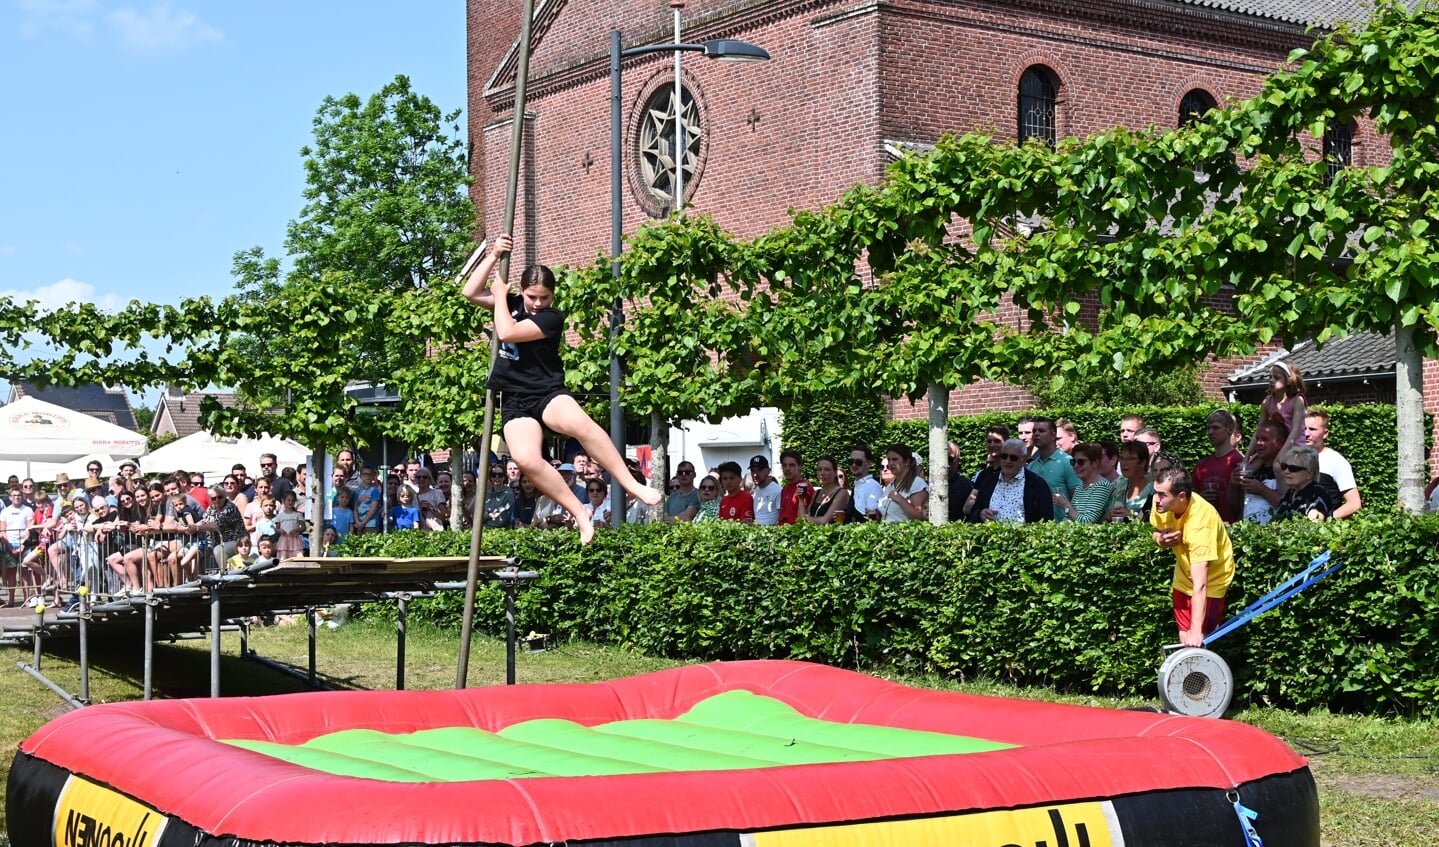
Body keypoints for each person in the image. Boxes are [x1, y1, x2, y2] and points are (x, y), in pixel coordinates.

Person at [462, 233, 660, 543]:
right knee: (525, 459)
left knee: (582, 424)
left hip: (547, 393)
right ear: (523, 292)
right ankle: (580, 514)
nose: (538, 303)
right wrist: (493, 257)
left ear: (552, 297)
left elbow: (508, 332)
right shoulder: (511, 303)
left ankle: (631, 484)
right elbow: (469, 291)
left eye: (544, 297)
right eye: (531, 297)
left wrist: (500, 295)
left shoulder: (551, 318)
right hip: (515, 399)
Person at [1151, 466, 1235, 648]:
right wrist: (1161, 540)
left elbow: (1201, 584)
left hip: (1211, 582)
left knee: (1201, 640)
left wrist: (1197, 631)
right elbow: (1156, 532)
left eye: (1162, 495)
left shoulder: (1201, 524)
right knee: (1184, 636)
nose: (1156, 499)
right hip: (1182, 577)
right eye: (1155, 492)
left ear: (1181, 496)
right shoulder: (1160, 503)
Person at [968, 439, 1053, 524]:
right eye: (1004, 456)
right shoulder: (989, 481)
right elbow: (975, 510)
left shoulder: (1037, 484)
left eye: (1013, 458)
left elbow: (1046, 520)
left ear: (1023, 460)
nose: (1008, 461)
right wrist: (980, 513)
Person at [1304, 409, 1362, 518]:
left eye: (1312, 429)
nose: (1306, 433)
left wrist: (1326, 521)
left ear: (1325, 433)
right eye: (1304, 429)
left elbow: (1354, 504)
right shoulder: (1294, 459)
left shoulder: (1336, 461)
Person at [1192, 409, 1244, 523]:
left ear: (1230, 429)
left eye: (1216, 428)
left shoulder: (1239, 462)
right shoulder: (1202, 465)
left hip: (1232, 527)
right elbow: (1191, 498)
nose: (1210, 432)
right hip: (1206, 525)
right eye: (1208, 428)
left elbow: (1245, 502)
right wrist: (1201, 498)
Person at [1248, 361, 1308, 460]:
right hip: (1276, 447)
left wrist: (1280, 456)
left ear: (1288, 381)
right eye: (1270, 377)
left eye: (1277, 378)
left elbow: (1295, 430)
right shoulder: (1267, 402)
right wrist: (1246, 459)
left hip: (1296, 449)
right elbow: (1258, 431)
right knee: (1249, 468)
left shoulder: (1297, 400)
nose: (1271, 380)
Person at [1230, 420, 1286, 524]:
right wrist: (1233, 486)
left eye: (1265, 439)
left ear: (1279, 443)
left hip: (1274, 535)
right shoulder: (1251, 471)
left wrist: (1262, 490)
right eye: (1257, 439)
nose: (1259, 443)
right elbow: (1236, 509)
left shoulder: (1288, 471)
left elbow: (1290, 508)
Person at [1028, 418, 1080, 521]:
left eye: (1041, 431)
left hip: (1061, 531)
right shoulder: (1031, 466)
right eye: (1034, 431)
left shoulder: (1067, 462)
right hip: (1035, 530)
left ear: (1053, 435)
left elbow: (1078, 500)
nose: (1036, 434)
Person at [1052, 442, 1114, 524]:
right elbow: (1068, 518)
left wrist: (1066, 504)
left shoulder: (1102, 486)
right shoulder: (1080, 488)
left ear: (1095, 463)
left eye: (1081, 462)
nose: (1076, 466)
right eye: (1073, 462)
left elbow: (1087, 522)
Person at [1273, 445, 1332, 522]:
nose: (1287, 471)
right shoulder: (1290, 493)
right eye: (1285, 467)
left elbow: (1316, 522)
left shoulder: (1316, 493)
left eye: (1293, 468)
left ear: (1309, 474)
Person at [878, 444, 929, 522]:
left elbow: (922, 516)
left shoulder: (916, 484)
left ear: (907, 461)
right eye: (889, 459)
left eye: (895, 459)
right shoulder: (890, 485)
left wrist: (900, 499)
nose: (890, 463)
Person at [1107, 440, 1152, 522]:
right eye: (1122, 458)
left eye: (1130, 459)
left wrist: (1131, 515)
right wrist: (1109, 516)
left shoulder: (1154, 488)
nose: (1124, 463)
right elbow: (1104, 517)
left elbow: (1153, 520)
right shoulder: (1119, 483)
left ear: (1143, 462)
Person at [803, 456, 850, 525]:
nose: (822, 473)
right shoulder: (817, 493)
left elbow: (825, 521)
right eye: (820, 469)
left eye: (827, 469)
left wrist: (806, 518)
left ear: (834, 473)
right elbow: (802, 519)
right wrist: (801, 500)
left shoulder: (841, 493)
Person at [777, 451, 812, 525]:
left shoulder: (805, 488)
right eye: (784, 465)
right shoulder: (784, 489)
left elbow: (804, 519)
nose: (787, 468)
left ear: (800, 467)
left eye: (791, 465)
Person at [849, 446, 883, 522]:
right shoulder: (858, 485)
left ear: (868, 464)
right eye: (851, 462)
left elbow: (873, 520)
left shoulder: (872, 486)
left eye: (858, 462)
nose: (854, 465)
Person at [945, 442, 974, 523]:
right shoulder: (930, 484)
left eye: (949, 459)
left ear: (957, 461)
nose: (944, 463)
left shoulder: (967, 486)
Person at [749, 455, 782, 526]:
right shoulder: (756, 490)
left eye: (759, 470)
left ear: (768, 471)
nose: (755, 474)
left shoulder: (778, 490)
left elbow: (782, 519)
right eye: (752, 471)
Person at [354, 466, 383, 534]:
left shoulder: (374, 490)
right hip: (359, 523)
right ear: (361, 476)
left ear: (373, 476)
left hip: (371, 524)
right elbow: (355, 508)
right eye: (365, 474)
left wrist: (363, 522)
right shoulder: (358, 490)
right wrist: (357, 521)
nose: (368, 476)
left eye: (370, 474)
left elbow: (373, 509)